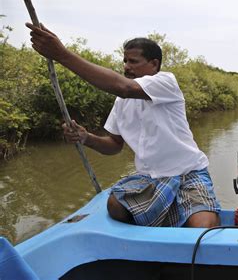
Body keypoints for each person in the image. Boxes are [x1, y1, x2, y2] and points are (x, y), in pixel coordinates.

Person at [26, 23, 221, 228]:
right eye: (125, 61)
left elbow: (124, 87)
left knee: (202, 228)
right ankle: (170, 216)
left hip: (188, 173)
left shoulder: (166, 83)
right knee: (115, 206)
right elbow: (114, 144)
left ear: (154, 64)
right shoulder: (121, 102)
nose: (127, 66)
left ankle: (182, 214)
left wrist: (62, 54)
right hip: (151, 179)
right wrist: (86, 137)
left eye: (133, 61)